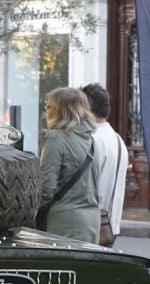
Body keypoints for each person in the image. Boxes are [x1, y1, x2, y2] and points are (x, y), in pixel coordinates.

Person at [36, 86, 99, 244]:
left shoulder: (56, 138)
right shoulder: (91, 141)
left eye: (48, 107)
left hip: (64, 225)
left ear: (61, 111)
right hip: (91, 222)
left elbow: (46, 188)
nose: (46, 112)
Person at [81, 82, 129, 247]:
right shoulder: (117, 139)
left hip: (91, 226)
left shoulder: (91, 139)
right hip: (110, 225)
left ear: (86, 108)